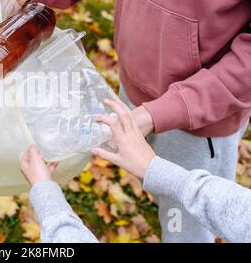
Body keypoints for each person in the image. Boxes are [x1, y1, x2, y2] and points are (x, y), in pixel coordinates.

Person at [0, 0, 251, 242]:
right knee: (152, 178)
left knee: (186, 214)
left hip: (197, 120)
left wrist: (160, 112)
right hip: (133, 88)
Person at [20, 99, 251, 243]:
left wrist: (46, 196)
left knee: (184, 227)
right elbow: (240, 212)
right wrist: (155, 169)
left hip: (200, 125)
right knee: (174, 214)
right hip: (138, 91)